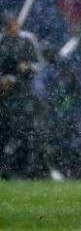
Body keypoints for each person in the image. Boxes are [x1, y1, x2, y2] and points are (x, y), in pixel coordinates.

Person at [0, 12, 44, 178]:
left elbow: (40, 64)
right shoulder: (1, 42)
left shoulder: (28, 40)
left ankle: (22, 168)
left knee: (23, 129)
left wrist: (28, 68)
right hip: (4, 93)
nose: (14, 29)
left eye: (15, 25)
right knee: (6, 130)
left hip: (23, 91)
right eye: (9, 26)